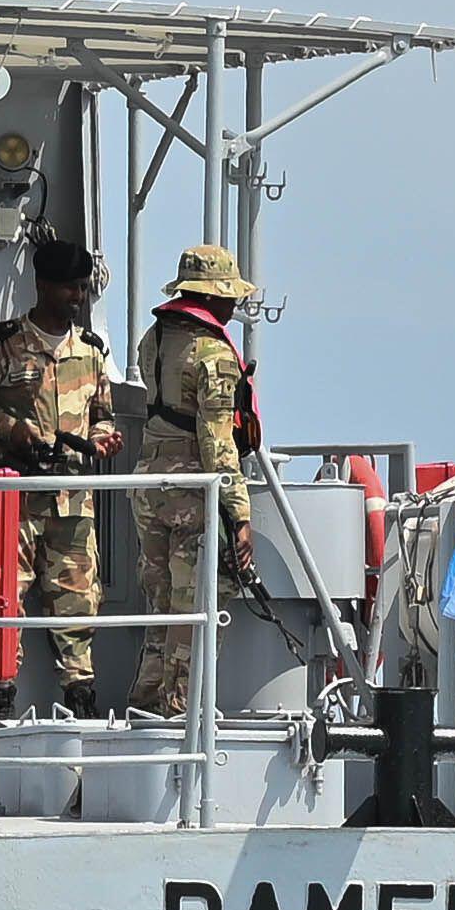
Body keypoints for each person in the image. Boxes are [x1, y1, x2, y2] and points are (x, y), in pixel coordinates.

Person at [0, 236, 118, 714]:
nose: (78, 298)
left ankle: (80, 705)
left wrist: (103, 437)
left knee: (79, 604)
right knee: (4, 601)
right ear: (44, 286)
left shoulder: (90, 350)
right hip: (13, 499)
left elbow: (103, 412)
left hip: (71, 500)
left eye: (83, 289)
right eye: (70, 289)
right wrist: (8, 428)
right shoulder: (4, 346)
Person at [125, 240, 261, 721]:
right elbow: (218, 442)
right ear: (213, 296)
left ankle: (144, 705)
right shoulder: (214, 355)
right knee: (196, 604)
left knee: (161, 604)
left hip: (148, 482)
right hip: (192, 487)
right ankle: (180, 713)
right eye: (230, 296)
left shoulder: (154, 339)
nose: (234, 305)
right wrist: (239, 516)